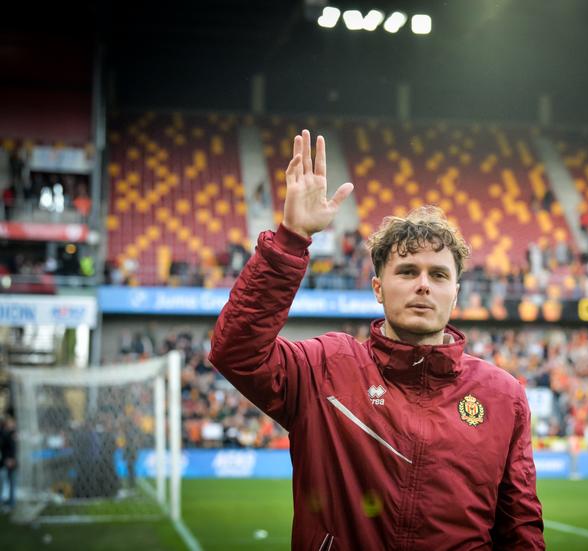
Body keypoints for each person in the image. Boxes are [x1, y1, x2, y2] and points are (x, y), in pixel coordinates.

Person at [209, 130, 544, 549]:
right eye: (407, 272)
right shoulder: (325, 367)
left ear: (455, 292)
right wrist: (292, 238)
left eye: (438, 275)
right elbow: (236, 352)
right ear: (378, 288)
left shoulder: (502, 395)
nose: (423, 285)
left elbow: (520, 528)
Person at [1, 413, 17, 510]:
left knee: (12, 482)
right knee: (4, 481)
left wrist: (12, 459)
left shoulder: (13, 434)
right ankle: (7, 501)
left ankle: (11, 502)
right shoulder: (4, 433)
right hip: (4, 461)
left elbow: (14, 449)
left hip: (11, 461)